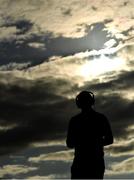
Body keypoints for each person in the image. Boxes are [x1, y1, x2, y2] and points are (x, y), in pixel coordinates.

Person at [66, 91, 113, 179]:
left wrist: (87, 143)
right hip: (91, 162)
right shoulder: (100, 118)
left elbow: (69, 143)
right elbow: (109, 139)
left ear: (78, 103)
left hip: (84, 162)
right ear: (92, 101)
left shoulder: (75, 120)